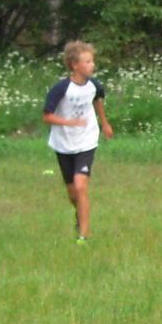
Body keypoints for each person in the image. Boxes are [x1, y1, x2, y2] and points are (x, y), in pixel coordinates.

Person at [42, 40, 114, 243]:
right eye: (88, 62)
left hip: (86, 141)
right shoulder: (61, 89)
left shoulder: (94, 85)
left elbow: (98, 99)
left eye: (92, 61)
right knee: (73, 194)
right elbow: (46, 116)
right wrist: (69, 122)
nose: (93, 65)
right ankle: (79, 213)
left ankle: (83, 236)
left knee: (81, 186)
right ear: (75, 65)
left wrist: (104, 123)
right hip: (63, 144)